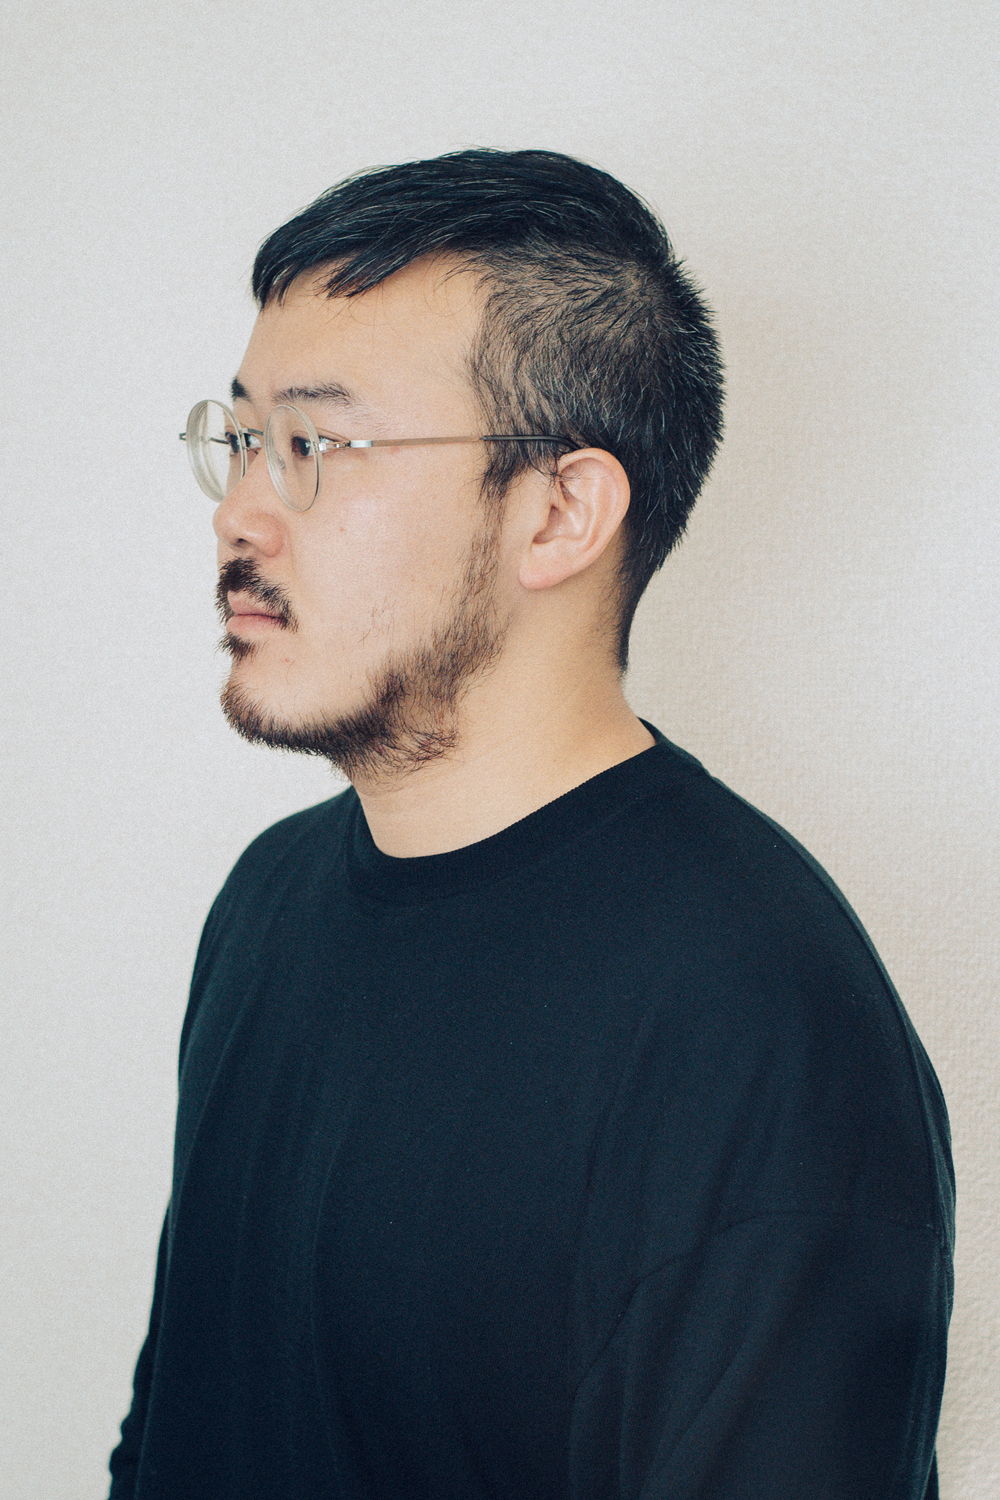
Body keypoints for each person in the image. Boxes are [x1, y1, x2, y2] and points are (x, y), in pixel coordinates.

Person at [109, 149, 953, 1500]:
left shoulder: (763, 1029)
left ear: (560, 512)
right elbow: (178, 1431)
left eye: (317, 445)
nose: (242, 513)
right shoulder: (270, 902)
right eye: (245, 438)